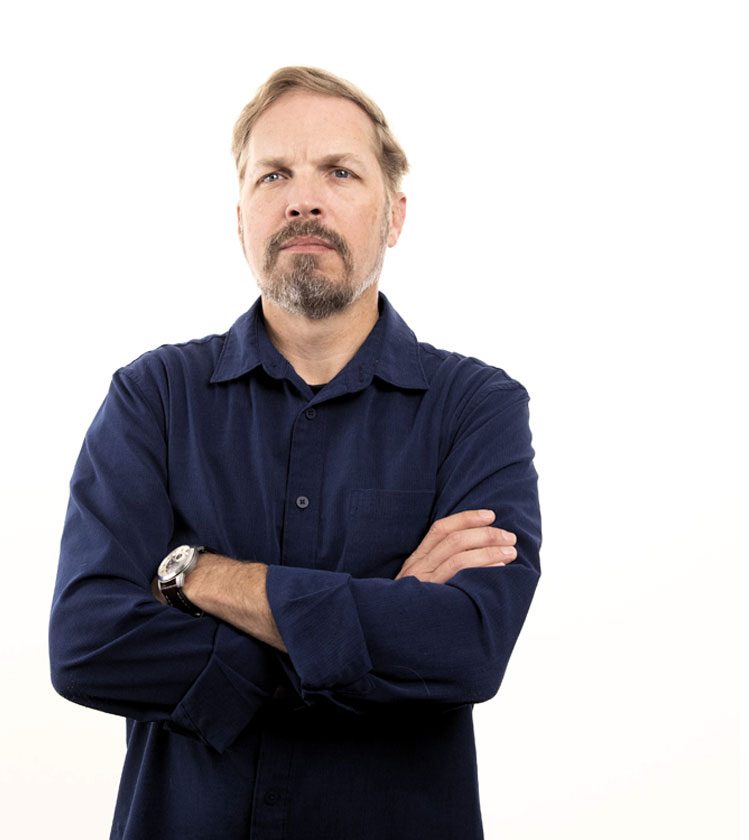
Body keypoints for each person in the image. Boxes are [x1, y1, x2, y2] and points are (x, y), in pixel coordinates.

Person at [48, 66, 541, 840]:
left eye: (339, 172)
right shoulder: (154, 397)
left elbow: (467, 649)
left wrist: (198, 576)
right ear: (239, 216)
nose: (303, 199)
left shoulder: (476, 409)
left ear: (394, 217)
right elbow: (87, 643)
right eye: (273, 174)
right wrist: (373, 632)